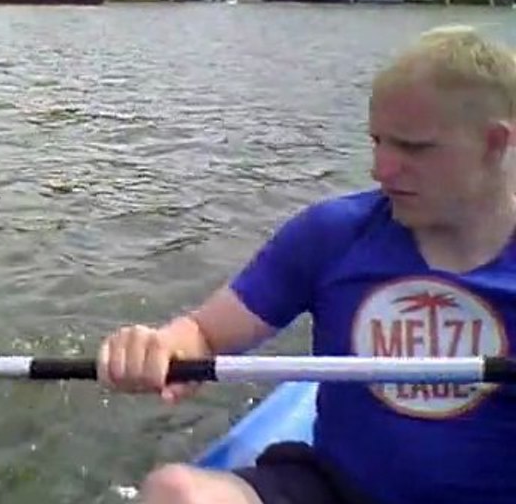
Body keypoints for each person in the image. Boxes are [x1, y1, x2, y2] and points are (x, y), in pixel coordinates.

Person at [97, 26, 516, 504]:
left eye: (413, 148)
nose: (381, 169)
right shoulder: (333, 233)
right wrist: (159, 347)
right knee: (174, 491)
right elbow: (204, 336)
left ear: (494, 144)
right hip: (337, 488)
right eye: (378, 142)